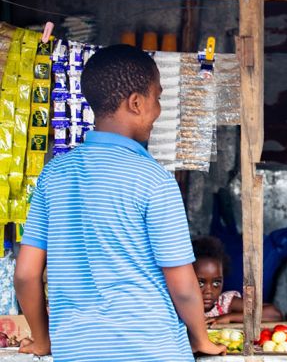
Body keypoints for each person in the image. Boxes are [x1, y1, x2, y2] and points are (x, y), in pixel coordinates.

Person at [14, 44, 226, 361]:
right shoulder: (155, 180)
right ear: (136, 103)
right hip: (152, 349)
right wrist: (201, 338)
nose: (158, 111)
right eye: (158, 98)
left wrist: (43, 340)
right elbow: (182, 285)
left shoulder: (53, 175)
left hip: (77, 351)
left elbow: (26, 275)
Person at [192, 236, 282, 324]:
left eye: (216, 283)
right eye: (200, 283)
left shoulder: (224, 304)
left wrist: (230, 317)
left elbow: (274, 314)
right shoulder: (180, 308)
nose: (209, 291)